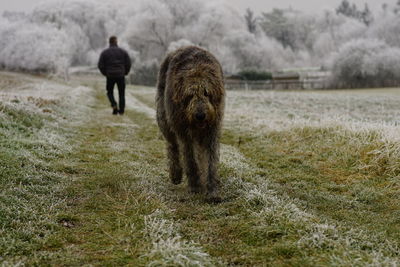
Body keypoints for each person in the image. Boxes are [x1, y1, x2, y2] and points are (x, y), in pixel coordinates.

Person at [98, 36, 131, 115]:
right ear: (116, 42)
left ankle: (114, 105)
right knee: (121, 93)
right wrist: (125, 72)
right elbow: (128, 63)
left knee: (109, 92)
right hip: (121, 75)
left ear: (109, 42)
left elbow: (100, 65)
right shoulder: (123, 52)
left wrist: (105, 73)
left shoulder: (105, 53)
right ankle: (122, 111)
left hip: (110, 76)